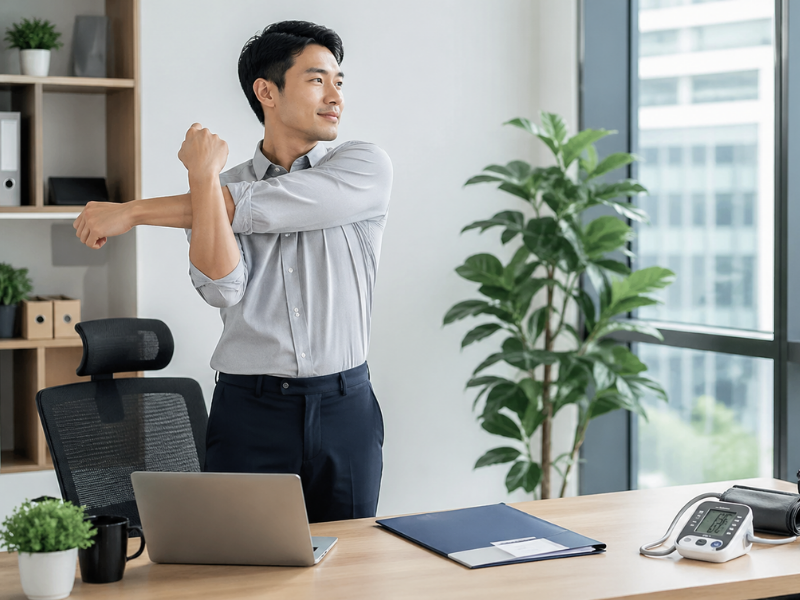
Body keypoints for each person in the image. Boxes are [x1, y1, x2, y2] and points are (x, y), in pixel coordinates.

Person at [72, 21, 392, 522]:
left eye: (339, 81)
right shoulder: (211, 192)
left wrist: (132, 210)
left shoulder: (363, 167)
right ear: (266, 91)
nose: (336, 97)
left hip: (344, 406)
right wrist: (202, 178)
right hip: (250, 410)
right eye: (317, 80)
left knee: (349, 569)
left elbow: (264, 206)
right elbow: (223, 289)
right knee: (242, 565)